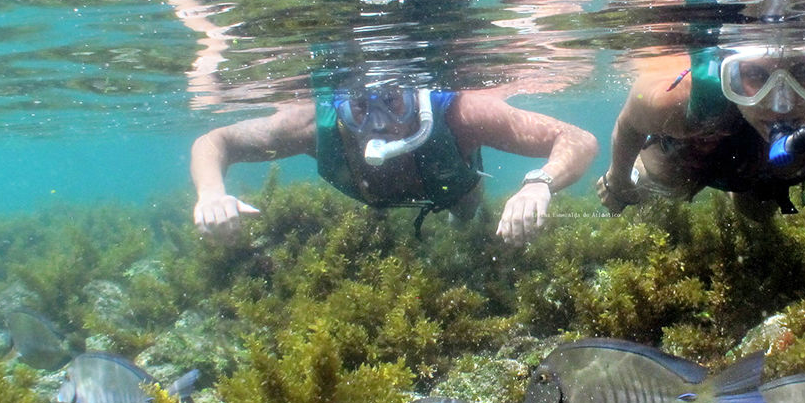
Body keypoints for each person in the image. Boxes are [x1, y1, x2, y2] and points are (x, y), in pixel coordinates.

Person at [191, 78, 597, 245]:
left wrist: (540, 182)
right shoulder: (311, 127)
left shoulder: (462, 114)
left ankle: (462, 218)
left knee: (465, 214)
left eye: (392, 102)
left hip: (452, 185)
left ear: (417, 99)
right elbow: (215, 141)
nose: (377, 125)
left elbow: (577, 138)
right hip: (374, 196)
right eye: (359, 108)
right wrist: (211, 193)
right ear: (340, 106)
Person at [596, 31, 805, 220]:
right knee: (648, 185)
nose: (781, 104)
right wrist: (618, 180)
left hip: (751, 171)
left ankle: (751, 188)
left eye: (803, 71)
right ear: (725, 76)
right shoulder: (679, 103)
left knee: (757, 215)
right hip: (704, 154)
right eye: (755, 75)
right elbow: (629, 123)